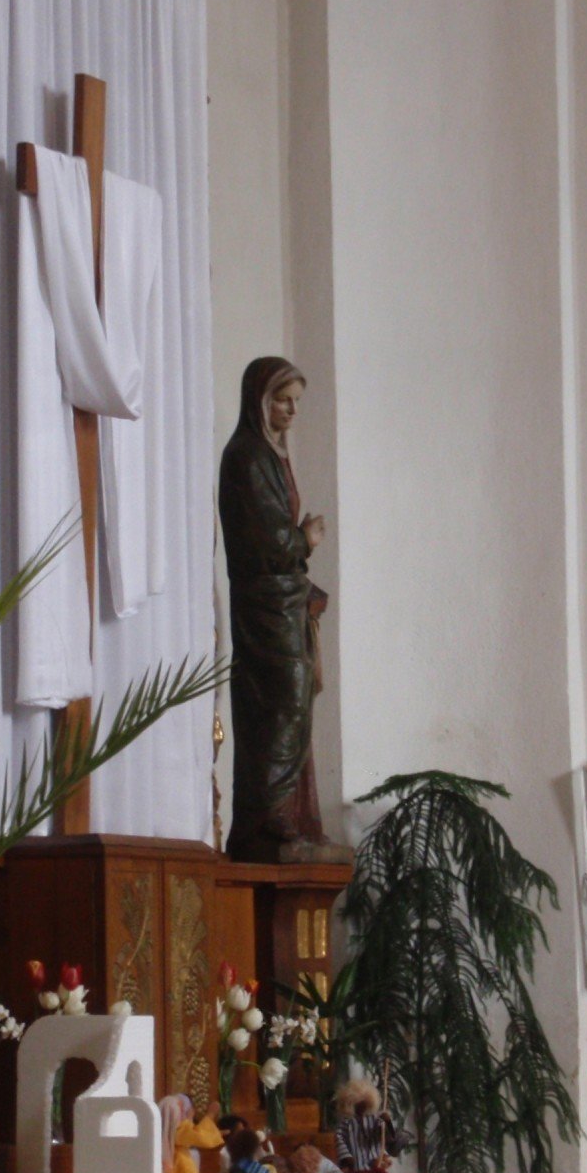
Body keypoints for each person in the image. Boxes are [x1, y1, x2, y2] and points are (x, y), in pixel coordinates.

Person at [218, 358, 348, 863]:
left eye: (296, 401)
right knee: (283, 695)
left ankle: (291, 817)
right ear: (259, 400)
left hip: (284, 599)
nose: (292, 410)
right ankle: (265, 817)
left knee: (297, 695)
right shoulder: (247, 456)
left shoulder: (272, 453)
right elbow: (265, 540)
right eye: (282, 399)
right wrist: (304, 538)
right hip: (263, 605)